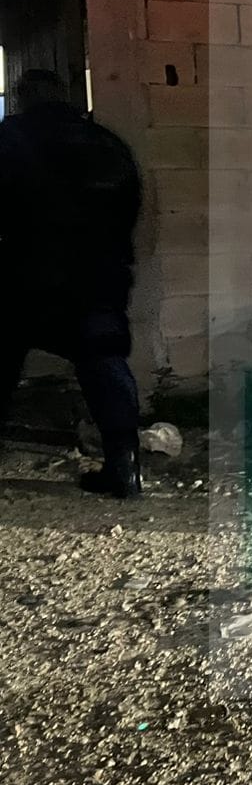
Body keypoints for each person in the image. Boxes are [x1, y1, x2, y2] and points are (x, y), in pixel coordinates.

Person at [0, 69, 144, 497]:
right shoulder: (105, 142)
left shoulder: (9, 139)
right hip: (98, 277)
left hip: (22, 276)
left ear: (21, 98)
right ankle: (125, 467)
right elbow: (130, 207)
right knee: (104, 362)